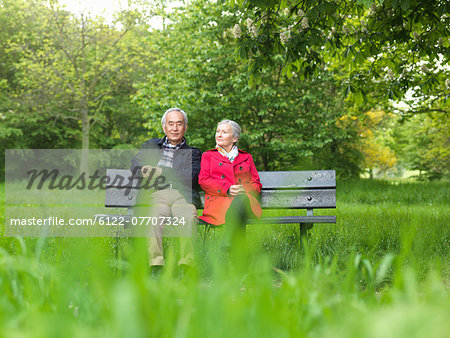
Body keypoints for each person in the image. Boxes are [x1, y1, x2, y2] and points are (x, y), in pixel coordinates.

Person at [131, 108, 202, 271]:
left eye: (179, 124)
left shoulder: (193, 153)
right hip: (156, 194)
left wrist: (163, 171)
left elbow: (192, 176)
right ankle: (156, 265)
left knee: (188, 218)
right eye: (171, 124)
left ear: (185, 128)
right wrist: (143, 169)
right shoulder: (151, 146)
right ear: (164, 127)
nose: (174, 128)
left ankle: (187, 264)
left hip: (182, 195)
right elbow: (135, 164)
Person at [198, 120, 262, 245]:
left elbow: (256, 184)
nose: (219, 135)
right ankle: (238, 254)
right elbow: (203, 180)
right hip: (219, 202)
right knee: (237, 212)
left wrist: (244, 189)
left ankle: (228, 241)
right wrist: (226, 188)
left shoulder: (246, 157)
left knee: (241, 199)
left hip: (244, 203)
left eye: (224, 132)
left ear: (235, 138)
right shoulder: (208, 156)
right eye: (218, 131)